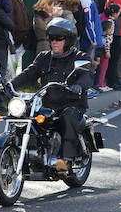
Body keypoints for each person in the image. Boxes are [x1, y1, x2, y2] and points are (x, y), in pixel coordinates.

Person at [9, 18, 94, 171]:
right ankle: (6, 163)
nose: (54, 41)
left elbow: (87, 76)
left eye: (59, 38)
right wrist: (10, 84)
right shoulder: (44, 57)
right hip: (48, 104)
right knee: (23, 117)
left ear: (68, 40)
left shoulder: (81, 57)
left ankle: (65, 161)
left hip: (72, 104)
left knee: (67, 118)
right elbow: (29, 73)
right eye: (51, 38)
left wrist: (79, 86)